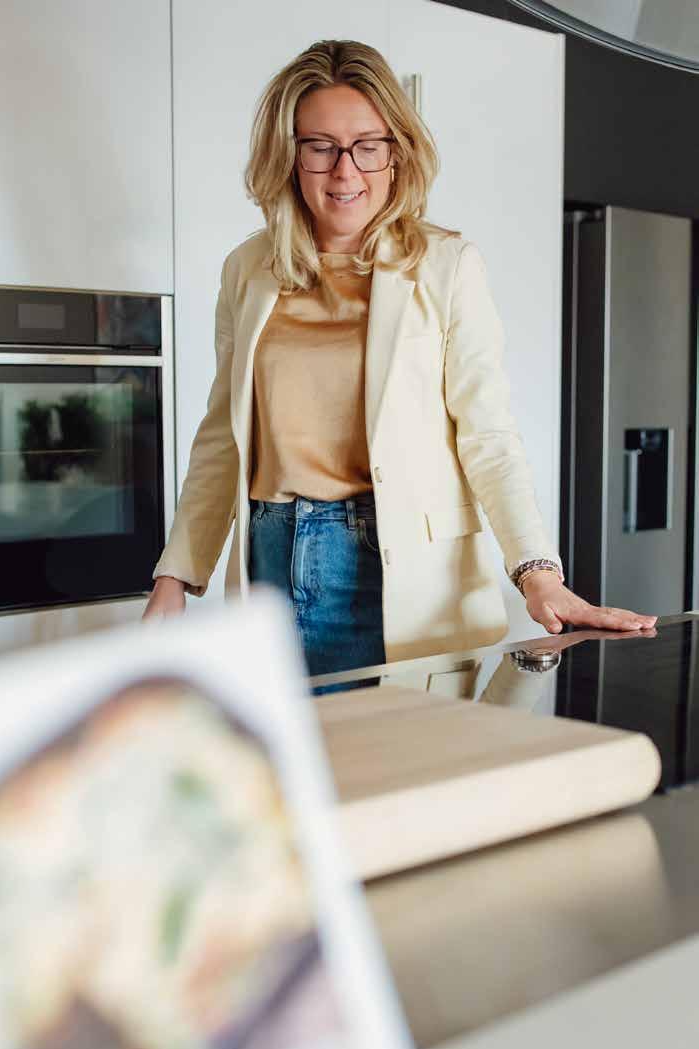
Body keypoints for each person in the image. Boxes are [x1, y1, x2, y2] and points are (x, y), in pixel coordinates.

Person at [144, 39, 655, 673]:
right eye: (320, 147)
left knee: (389, 739)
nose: (345, 171)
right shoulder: (247, 269)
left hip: (390, 570)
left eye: (367, 145)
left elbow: (487, 435)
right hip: (268, 559)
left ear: (396, 153)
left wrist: (538, 573)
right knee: (287, 740)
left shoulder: (447, 265)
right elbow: (223, 434)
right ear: (289, 155)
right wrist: (175, 576)